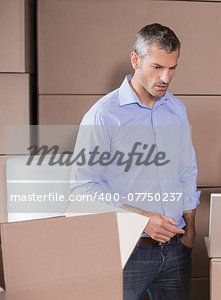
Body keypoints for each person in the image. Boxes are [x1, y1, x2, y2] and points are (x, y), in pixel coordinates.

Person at [70, 24, 199, 300]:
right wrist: (141, 219)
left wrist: (190, 224)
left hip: (176, 248)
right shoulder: (104, 115)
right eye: (157, 67)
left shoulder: (176, 109)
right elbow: (82, 189)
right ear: (135, 60)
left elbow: (186, 169)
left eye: (172, 68)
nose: (166, 77)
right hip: (128, 249)